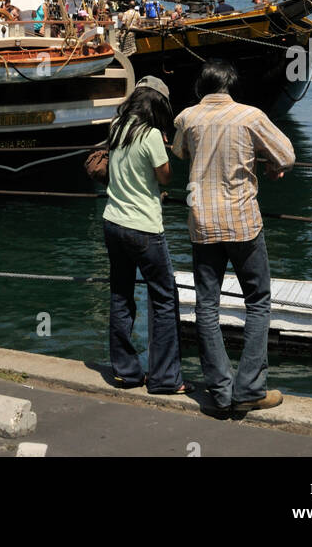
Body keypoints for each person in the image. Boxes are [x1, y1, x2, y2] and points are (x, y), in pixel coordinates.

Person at [171, 59, 295, 416]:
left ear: (202, 86)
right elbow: (286, 155)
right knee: (257, 301)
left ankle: (221, 392)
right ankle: (250, 388)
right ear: (230, 86)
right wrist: (267, 163)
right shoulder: (250, 116)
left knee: (206, 306)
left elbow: (180, 151)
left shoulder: (187, 118)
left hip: (203, 224)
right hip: (242, 222)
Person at [102, 77, 184, 395]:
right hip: (144, 227)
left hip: (112, 222)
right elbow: (165, 177)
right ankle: (164, 378)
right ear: (157, 105)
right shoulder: (150, 135)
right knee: (164, 299)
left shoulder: (116, 126)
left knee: (121, 296)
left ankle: (126, 372)